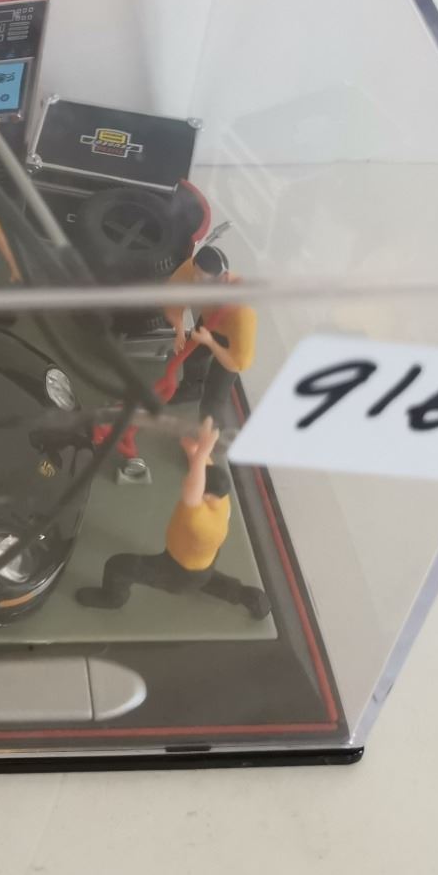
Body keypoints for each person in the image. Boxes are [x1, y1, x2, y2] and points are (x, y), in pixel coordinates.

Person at [74, 418, 269, 618]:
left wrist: (202, 452)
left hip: (177, 570)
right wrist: (194, 449)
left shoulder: (200, 521)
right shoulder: (222, 499)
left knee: (119, 567)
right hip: (200, 564)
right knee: (204, 580)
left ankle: (112, 599)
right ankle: (248, 596)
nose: (188, 480)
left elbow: (193, 488)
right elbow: (201, 472)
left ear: (206, 495)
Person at [162, 244, 258, 423]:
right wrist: (180, 329)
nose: (196, 281)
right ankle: (192, 389)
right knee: (192, 358)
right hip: (208, 323)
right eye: (196, 275)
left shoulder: (243, 313)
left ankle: (209, 435)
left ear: (223, 279)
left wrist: (210, 342)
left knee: (215, 395)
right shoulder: (191, 270)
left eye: (202, 279)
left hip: (231, 341)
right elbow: (173, 297)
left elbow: (238, 363)